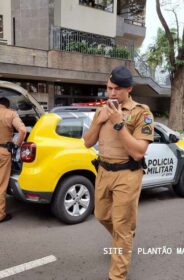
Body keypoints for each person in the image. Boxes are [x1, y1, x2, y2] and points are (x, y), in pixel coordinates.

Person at [83, 65, 154, 280]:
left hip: (127, 173)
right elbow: (88, 142)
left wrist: (117, 123)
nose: (112, 93)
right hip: (103, 171)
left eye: (117, 89)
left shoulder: (142, 112)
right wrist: (101, 120)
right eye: (109, 88)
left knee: (122, 226)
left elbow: (138, 152)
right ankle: (123, 239)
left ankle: (117, 275)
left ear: (129, 89)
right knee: (102, 215)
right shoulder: (101, 110)